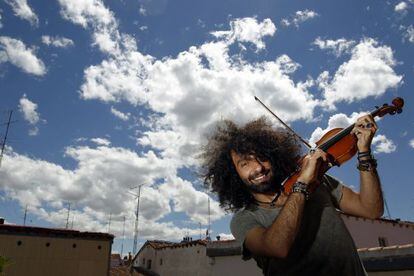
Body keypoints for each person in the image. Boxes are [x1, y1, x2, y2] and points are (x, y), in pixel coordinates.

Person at [201, 116, 383, 275]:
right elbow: (277, 247)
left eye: (262, 157)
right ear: (233, 175)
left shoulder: (319, 181)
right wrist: (302, 185)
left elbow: (371, 210)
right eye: (245, 164)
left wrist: (364, 153)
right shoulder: (244, 219)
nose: (258, 167)